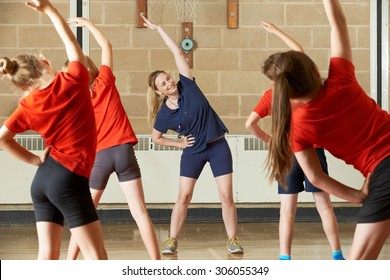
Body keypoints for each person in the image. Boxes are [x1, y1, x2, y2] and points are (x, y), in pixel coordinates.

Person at [263, 0, 390, 260]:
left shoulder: (299, 128)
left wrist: (356, 195)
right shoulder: (341, 78)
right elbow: (338, 22)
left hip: (384, 173)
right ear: (314, 69)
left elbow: (317, 177)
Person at [0, 0, 107, 260]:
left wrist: (35, 160)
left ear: (23, 86)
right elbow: (72, 45)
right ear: (44, 61)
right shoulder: (74, 80)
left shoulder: (27, 106)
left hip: (44, 180)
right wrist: (49, 9)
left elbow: (2, 138)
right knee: (98, 259)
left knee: (47, 257)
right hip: (68, 179)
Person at [141, 13, 243, 255]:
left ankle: (233, 239)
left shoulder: (188, 84)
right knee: (184, 197)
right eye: (163, 84)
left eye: (168, 78)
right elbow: (156, 137)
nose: (168, 83)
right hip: (193, 152)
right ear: (159, 92)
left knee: (226, 195)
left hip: (218, 146)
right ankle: (171, 240)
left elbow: (177, 53)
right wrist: (179, 145)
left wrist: (158, 29)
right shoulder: (164, 115)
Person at [63, 18, 161, 260]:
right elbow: (107, 46)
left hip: (101, 156)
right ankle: (158, 264)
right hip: (124, 152)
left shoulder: (74, 102)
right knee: (139, 212)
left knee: (83, 214)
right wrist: (88, 23)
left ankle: (67, 264)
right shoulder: (105, 82)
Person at [246, 22, 344, 260]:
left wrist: (271, 140)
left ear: (272, 78)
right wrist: (276, 31)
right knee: (324, 207)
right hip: (313, 151)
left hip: (288, 154)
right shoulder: (302, 89)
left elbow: (250, 124)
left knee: (287, 211)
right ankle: (338, 256)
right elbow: (299, 51)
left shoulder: (271, 95)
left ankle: (284, 258)